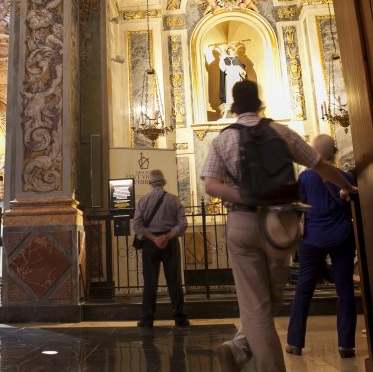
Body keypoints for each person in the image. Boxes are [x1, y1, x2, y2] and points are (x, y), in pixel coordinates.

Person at [201, 80, 357, 372]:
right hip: (280, 226)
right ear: (260, 105)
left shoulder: (223, 139)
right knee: (271, 300)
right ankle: (237, 348)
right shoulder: (280, 131)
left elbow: (210, 185)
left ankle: (243, 351)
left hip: (243, 222)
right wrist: (348, 186)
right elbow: (319, 164)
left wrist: (247, 196)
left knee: (257, 305)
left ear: (233, 108)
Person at [286, 135, 357, 358]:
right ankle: (346, 345)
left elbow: (297, 207)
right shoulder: (344, 177)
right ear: (333, 152)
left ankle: (295, 342)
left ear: (315, 153)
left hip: (313, 239)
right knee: (345, 289)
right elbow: (351, 207)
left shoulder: (305, 177)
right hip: (341, 236)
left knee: (304, 289)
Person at [133, 169, 189, 328]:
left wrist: (154, 238)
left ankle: (147, 319)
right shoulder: (174, 200)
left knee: (150, 281)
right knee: (174, 280)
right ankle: (179, 318)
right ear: (164, 182)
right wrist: (167, 237)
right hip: (169, 242)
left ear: (150, 183)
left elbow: (137, 225)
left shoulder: (143, 200)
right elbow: (183, 224)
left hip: (151, 244)